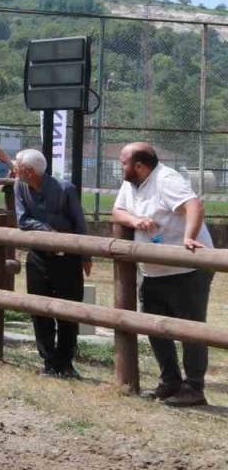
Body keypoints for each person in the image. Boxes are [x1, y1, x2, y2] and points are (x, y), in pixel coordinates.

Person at [112, 142, 215, 407]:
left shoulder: (166, 180)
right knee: (155, 327)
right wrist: (135, 222)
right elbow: (117, 211)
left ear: (139, 165)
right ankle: (170, 381)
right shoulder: (132, 183)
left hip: (186, 268)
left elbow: (194, 205)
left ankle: (194, 387)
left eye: (123, 162)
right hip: (154, 270)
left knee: (190, 328)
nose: (119, 166)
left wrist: (189, 238)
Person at [13, 148, 90, 379]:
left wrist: (85, 255)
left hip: (67, 258)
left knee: (68, 310)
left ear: (29, 171)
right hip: (38, 255)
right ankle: (48, 362)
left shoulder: (65, 189)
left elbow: (79, 224)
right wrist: (48, 232)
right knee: (39, 309)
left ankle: (65, 363)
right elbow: (23, 220)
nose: (14, 169)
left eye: (17, 166)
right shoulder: (19, 186)